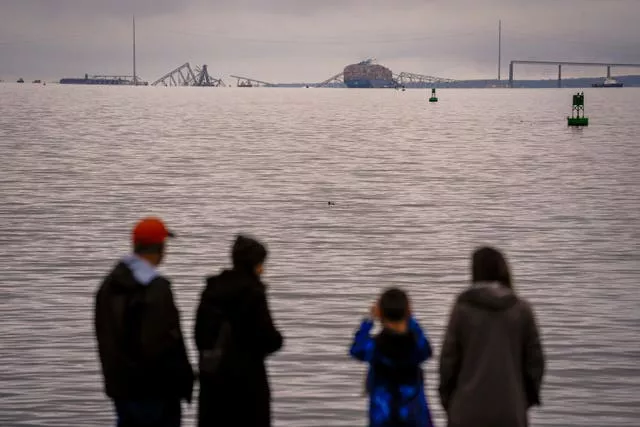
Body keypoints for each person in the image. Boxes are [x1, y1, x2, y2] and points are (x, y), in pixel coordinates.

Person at [94, 217, 194, 427]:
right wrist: (183, 378)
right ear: (161, 247)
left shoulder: (109, 284)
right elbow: (161, 343)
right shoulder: (156, 288)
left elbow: (104, 333)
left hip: (120, 385)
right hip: (155, 391)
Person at [438, 246, 545, 427]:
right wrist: (523, 400)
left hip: (466, 409)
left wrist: (448, 399)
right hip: (511, 410)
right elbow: (535, 362)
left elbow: (448, 360)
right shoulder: (521, 309)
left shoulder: (463, 308)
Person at [195, 235, 284, 427]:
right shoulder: (252, 293)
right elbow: (269, 339)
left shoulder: (211, 290)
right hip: (247, 386)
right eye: (261, 264)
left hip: (213, 383)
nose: (263, 269)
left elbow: (199, 337)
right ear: (252, 265)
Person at [349, 287, 435, 427]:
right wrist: (410, 319)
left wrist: (369, 320)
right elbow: (427, 349)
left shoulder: (375, 348)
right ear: (408, 312)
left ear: (380, 313)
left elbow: (356, 349)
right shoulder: (416, 347)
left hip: (382, 417)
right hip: (415, 418)